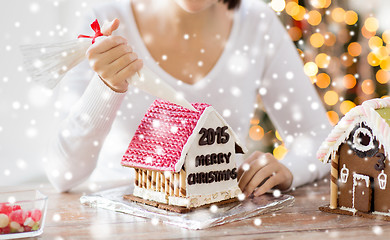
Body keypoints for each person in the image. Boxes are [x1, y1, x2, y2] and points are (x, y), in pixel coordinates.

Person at [46, 0, 331, 196]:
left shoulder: (257, 23)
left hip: (222, 219)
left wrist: (288, 170)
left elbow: (319, 139)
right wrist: (106, 88)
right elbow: (63, 174)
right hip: (118, 219)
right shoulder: (103, 18)